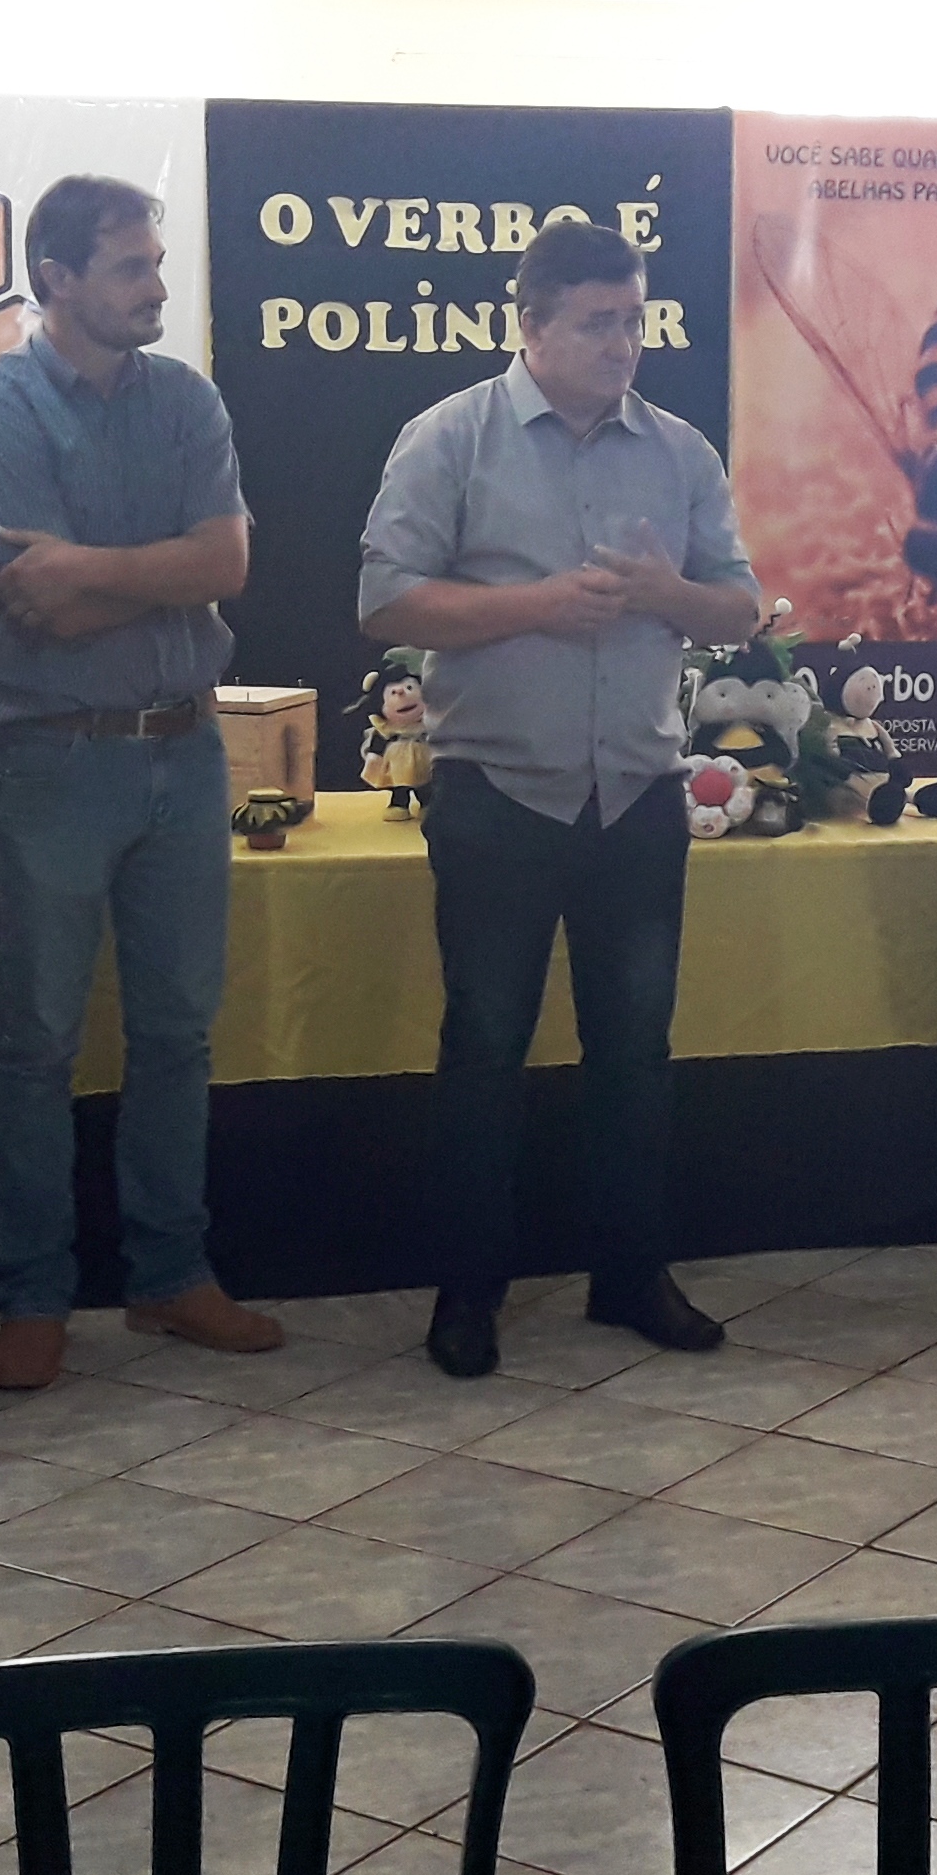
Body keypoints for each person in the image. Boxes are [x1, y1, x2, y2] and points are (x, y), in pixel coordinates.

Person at [358, 215, 761, 1380]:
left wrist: (667, 591)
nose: (623, 344)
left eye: (634, 320)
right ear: (530, 324)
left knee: (635, 1050)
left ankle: (629, 1275)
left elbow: (741, 608)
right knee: (485, 1047)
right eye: (596, 323)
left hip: (637, 794)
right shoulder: (451, 438)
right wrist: (534, 606)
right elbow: (385, 601)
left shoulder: (679, 452)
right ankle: (468, 1291)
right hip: (499, 795)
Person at [0, 176, 279, 1393]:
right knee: (34, 1042)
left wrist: (98, 568)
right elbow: (39, 603)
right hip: (52, 759)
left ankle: (169, 1274)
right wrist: (154, 570)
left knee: (177, 1032)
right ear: (58, 279)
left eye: (156, 262)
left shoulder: (187, 399)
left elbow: (227, 560)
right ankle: (32, 1296)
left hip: (185, 751)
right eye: (132, 267)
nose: (156, 286)